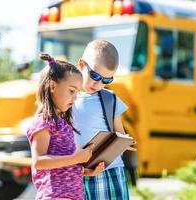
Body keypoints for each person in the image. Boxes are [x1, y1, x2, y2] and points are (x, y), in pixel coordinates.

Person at [74, 40, 136, 200]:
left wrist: (125, 142)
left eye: (106, 80)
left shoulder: (110, 99)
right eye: (94, 75)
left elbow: (119, 133)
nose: (98, 83)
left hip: (109, 169)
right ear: (81, 64)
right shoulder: (67, 97)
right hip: (78, 171)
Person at [27, 53, 93, 200]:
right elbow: (39, 161)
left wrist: (85, 170)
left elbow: (63, 164)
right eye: (71, 91)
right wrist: (75, 159)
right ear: (52, 86)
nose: (75, 98)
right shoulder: (43, 121)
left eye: (77, 92)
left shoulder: (63, 123)